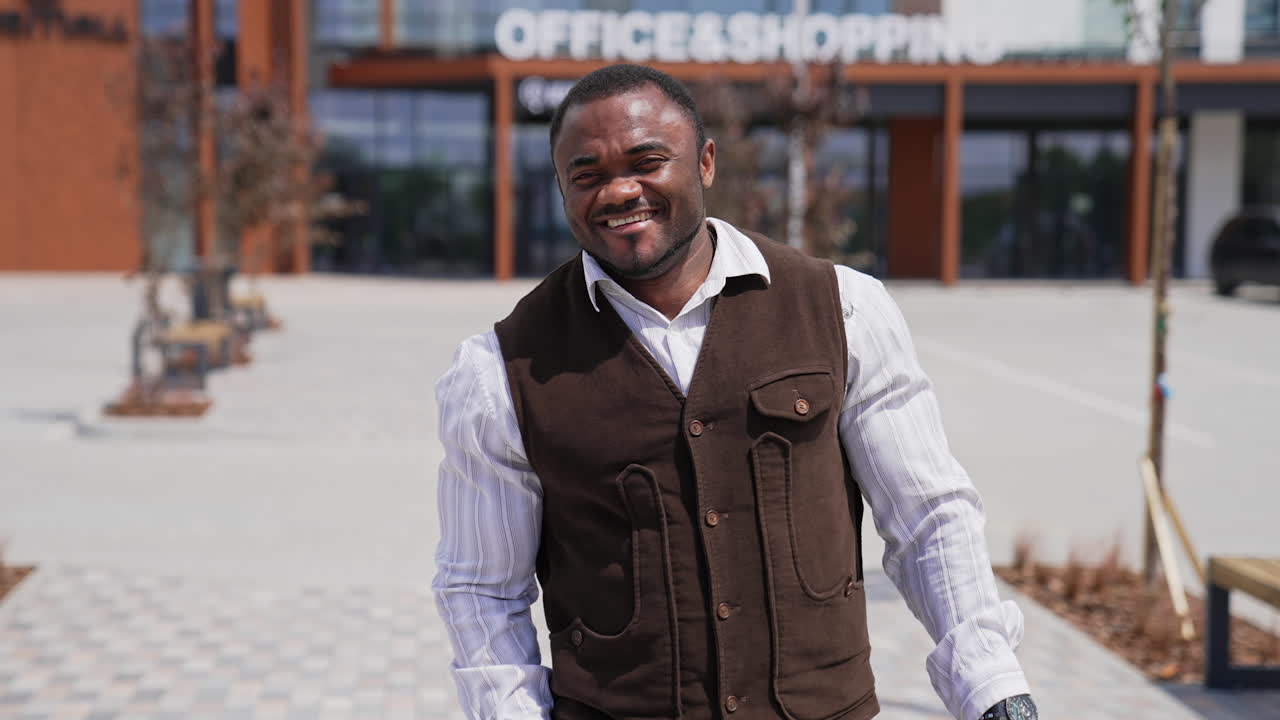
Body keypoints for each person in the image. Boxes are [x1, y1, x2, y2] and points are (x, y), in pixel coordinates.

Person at [434, 63, 1036, 720]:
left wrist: (992, 686)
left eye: (647, 160)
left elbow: (928, 517)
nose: (619, 190)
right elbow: (481, 588)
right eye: (588, 175)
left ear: (706, 163)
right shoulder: (500, 370)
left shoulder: (844, 311)